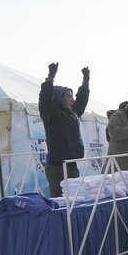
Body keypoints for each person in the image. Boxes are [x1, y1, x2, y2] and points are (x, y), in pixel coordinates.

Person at [38, 63, 90, 197]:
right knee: (59, 202)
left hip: (72, 166)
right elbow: (44, 100)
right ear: (59, 98)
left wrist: (85, 82)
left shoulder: (72, 114)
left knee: (74, 200)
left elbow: (81, 101)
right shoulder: (51, 113)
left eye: (73, 96)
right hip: (57, 167)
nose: (73, 99)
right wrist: (50, 78)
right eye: (69, 96)